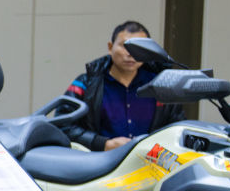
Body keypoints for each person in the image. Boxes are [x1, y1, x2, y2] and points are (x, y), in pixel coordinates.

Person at [61, 20, 182, 151]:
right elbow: (62, 125)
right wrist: (102, 144)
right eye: (125, 46)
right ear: (110, 47)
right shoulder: (86, 84)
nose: (131, 53)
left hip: (150, 160)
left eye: (139, 48)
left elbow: (178, 129)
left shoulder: (163, 85)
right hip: (99, 160)